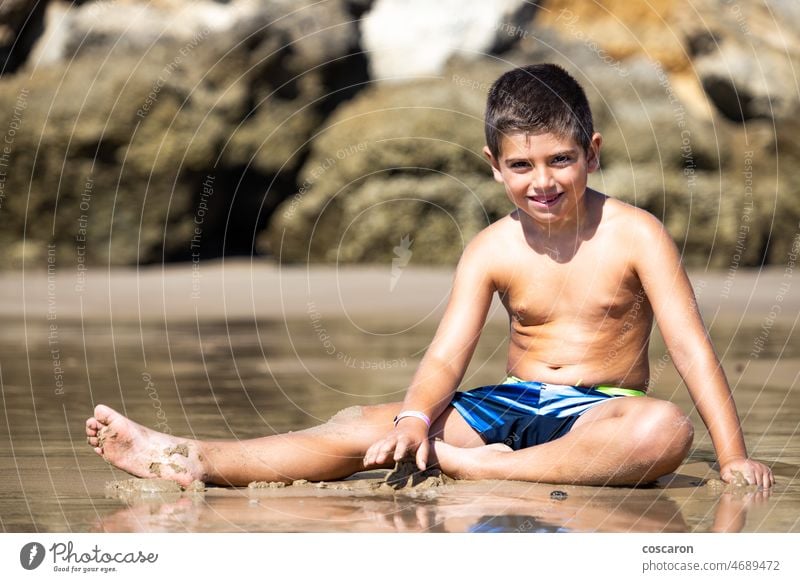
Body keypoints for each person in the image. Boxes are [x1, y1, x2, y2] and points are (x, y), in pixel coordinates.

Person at [86, 64, 774, 489]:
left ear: (592, 154)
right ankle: (193, 457)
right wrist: (416, 417)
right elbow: (447, 352)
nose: (543, 181)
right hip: (510, 403)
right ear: (494, 165)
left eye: (561, 160)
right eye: (522, 166)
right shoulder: (490, 248)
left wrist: (733, 454)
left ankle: (472, 467)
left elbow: (688, 346)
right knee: (366, 425)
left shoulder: (635, 234)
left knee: (663, 433)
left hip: (602, 408)